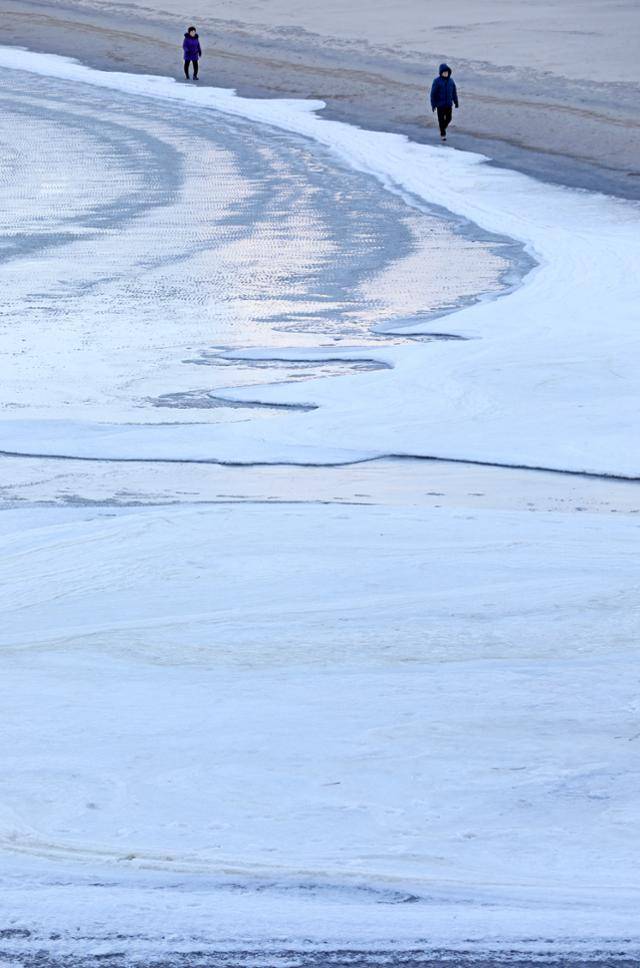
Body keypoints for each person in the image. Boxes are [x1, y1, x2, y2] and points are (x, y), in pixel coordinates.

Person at [430, 63, 459, 142]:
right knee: (441, 120)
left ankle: (442, 128)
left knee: (449, 118)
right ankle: (443, 134)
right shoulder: (437, 81)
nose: (446, 73)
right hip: (440, 105)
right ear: (441, 73)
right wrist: (433, 105)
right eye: (444, 72)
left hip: (448, 104)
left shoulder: (451, 81)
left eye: (447, 72)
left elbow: (454, 92)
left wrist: (456, 102)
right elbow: (433, 94)